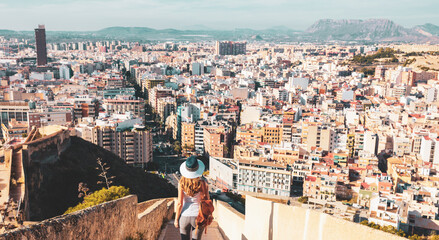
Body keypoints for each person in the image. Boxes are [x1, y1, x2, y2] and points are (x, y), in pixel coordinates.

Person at [174, 156, 209, 240]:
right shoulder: (203, 183)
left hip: (184, 216)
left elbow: (179, 203)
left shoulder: (181, 183)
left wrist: (176, 219)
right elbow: (206, 200)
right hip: (198, 216)